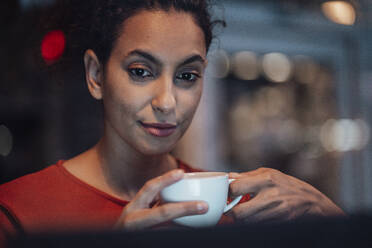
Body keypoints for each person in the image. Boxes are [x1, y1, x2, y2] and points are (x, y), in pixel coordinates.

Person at [0, 0, 344, 244]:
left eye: (187, 75)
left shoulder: (228, 209)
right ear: (96, 76)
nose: (167, 102)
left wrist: (331, 218)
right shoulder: (17, 212)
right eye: (140, 71)